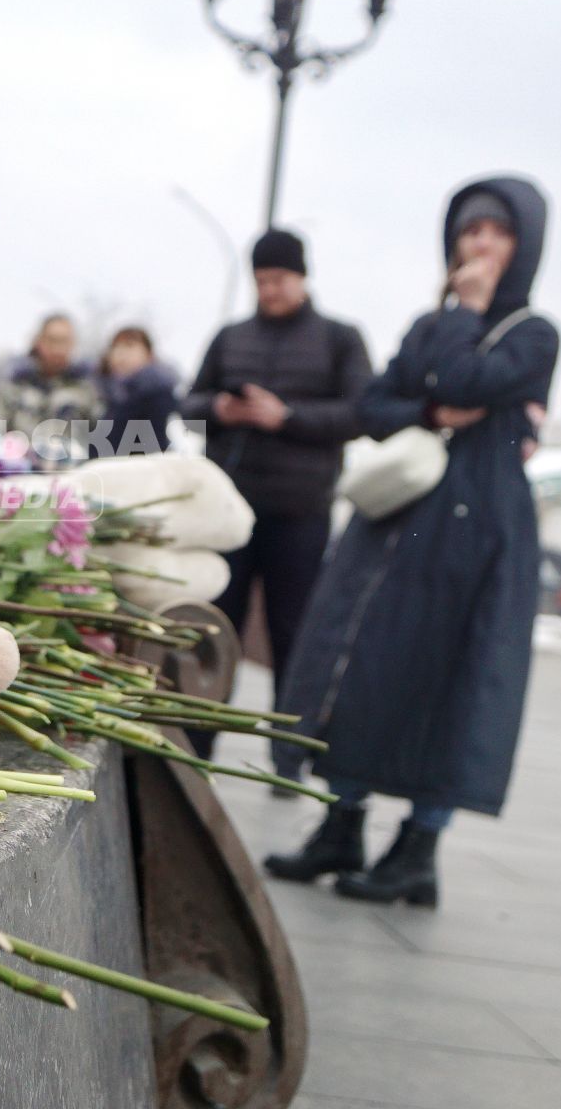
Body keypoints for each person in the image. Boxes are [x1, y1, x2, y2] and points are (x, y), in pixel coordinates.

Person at [265, 176, 561, 909]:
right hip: (401, 522)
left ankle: (419, 847)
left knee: (449, 673)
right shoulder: (431, 324)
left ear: (522, 247)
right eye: (469, 231)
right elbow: (376, 401)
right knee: (364, 660)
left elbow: (474, 373)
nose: (478, 244)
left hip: (477, 528)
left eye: (495, 232)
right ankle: (343, 821)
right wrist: (433, 405)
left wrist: (464, 316)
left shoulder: (533, 332)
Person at [181, 230, 372, 765]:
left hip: (300, 509)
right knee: (218, 629)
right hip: (229, 512)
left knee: (295, 631)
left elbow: (362, 412)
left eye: (279, 280)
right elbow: (188, 404)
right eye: (261, 280)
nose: (269, 290)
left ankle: (289, 751)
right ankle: (198, 749)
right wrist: (220, 409)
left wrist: (287, 417)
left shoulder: (340, 338)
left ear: (303, 277)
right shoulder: (231, 336)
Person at [0, 313, 100, 464]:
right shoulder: (14, 386)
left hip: (72, 476)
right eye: (52, 341)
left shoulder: (87, 389)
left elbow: (99, 438)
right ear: (38, 342)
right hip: (20, 474)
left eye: (64, 342)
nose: (58, 349)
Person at [92, 326, 179, 455]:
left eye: (129, 346)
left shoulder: (159, 395)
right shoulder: (103, 396)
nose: (121, 353)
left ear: (149, 355)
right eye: (116, 347)